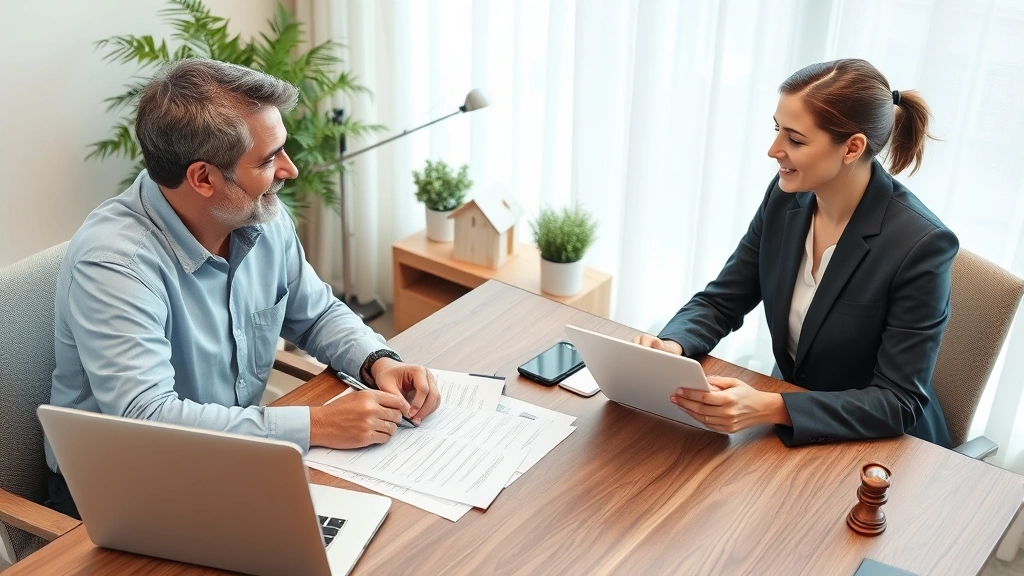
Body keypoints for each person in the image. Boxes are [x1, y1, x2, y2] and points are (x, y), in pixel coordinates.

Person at [45, 58, 441, 517]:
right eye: (269, 160)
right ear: (203, 178)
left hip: (235, 461)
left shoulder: (258, 216)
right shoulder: (115, 264)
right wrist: (316, 424)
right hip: (124, 490)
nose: (289, 171)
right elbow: (148, 420)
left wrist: (377, 360)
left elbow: (315, 313)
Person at [633, 59, 956, 448]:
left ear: (852, 147)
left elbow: (898, 403)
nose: (773, 150)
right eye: (776, 129)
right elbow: (722, 300)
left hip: (882, 450)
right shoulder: (785, 199)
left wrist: (772, 407)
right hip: (795, 426)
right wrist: (673, 347)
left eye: (795, 139)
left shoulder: (922, 244)